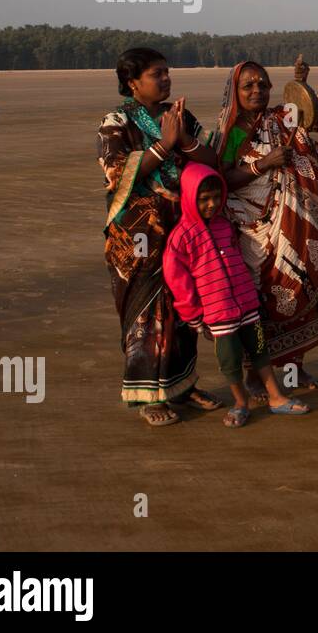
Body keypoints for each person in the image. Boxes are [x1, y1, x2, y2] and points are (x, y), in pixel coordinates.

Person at [96, 47, 224, 427]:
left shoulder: (180, 117)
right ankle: (148, 394)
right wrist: (163, 145)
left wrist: (182, 138)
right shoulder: (115, 121)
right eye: (156, 74)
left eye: (167, 72)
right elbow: (117, 174)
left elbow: (211, 161)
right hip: (138, 236)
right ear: (132, 82)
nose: (165, 79)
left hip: (182, 229)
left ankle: (183, 385)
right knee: (145, 314)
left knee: (184, 308)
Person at [210, 56, 318, 398]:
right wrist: (263, 165)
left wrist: (300, 82)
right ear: (235, 91)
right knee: (262, 303)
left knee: (302, 292)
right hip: (253, 233)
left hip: (295, 226)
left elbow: (314, 119)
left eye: (263, 85)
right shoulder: (230, 130)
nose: (257, 91)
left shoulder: (281, 118)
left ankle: (294, 368)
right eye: (248, 86)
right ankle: (254, 374)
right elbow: (220, 180)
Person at [162, 164, 311, 427]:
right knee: (229, 363)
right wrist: (195, 318)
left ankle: (276, 397)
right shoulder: (181, 238)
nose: (211, 204)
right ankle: (240, 402)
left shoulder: (225, 224)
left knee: (260, 351)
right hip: (218, 313)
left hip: (246, 304)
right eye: (204, 199)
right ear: (189, 197)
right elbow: (179, 283)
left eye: (216, 198)